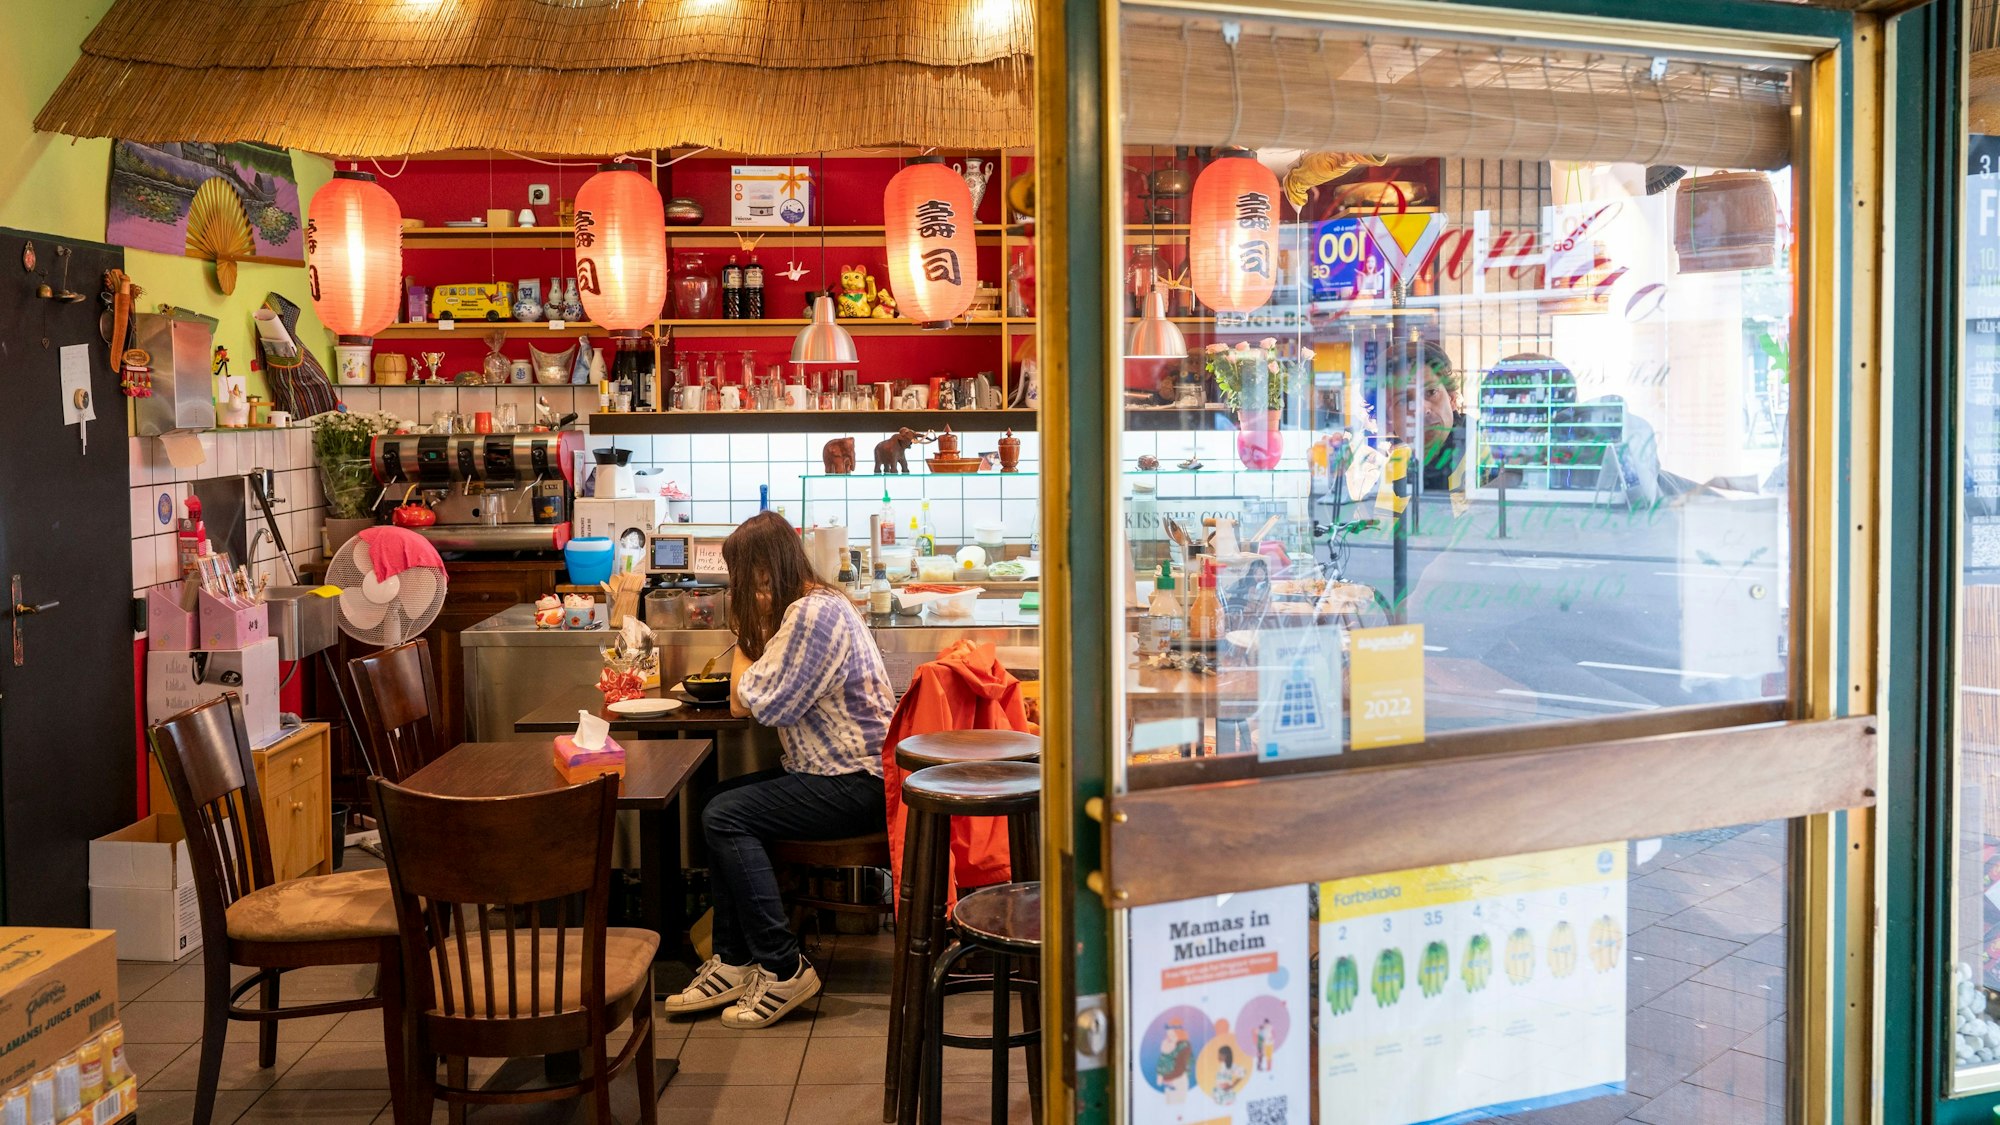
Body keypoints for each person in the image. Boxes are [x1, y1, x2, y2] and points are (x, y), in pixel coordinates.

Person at [663, 511, 895, 1029]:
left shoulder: (812, 614)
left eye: (742, 578)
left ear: (762, 571)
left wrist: (745, 631)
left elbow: (754, 703)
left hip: (857, 782)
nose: (741, 589)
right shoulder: (815, 604)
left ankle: (784, 967)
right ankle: (733, 960)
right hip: (833, 773)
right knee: (717, 802)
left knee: (726, 815)